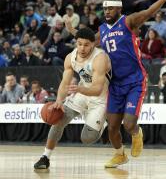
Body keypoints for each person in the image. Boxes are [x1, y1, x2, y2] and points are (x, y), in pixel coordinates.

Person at [66, 0, 166, 168]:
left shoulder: (128, 21)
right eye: (105, 8)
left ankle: (137, 134)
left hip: (135, 80)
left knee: (129, 125)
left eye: (110, 8)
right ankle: (120, 155)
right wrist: (71, 31)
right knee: (112, 127)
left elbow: (148, 12)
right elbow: (86, 41)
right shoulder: (103, 30)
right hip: (115, 84)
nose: (107, 11)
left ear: (119, 8)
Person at [34, 27, 111, 170]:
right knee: (58, 119)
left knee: (87, 138)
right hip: (81, 92)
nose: (82, 48)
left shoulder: (100, 58)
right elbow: (64, 83)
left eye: (86, 44)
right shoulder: (70, 57)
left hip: (100, 97)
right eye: (79, 43)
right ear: (76, 43)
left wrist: (80, 89)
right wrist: (59, 101)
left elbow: (97, 89)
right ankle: (45, 157)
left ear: (93, 44)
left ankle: (102, 126)